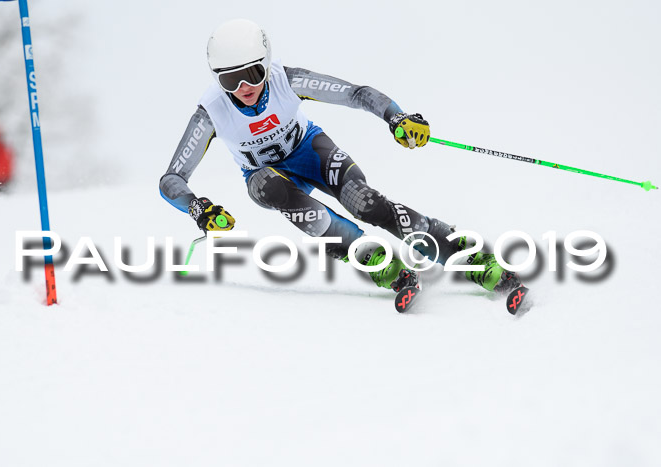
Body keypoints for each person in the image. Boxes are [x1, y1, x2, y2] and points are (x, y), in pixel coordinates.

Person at [160, 19, 520, 294]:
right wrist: (197, 207)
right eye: (230, 81)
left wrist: (397, 117)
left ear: (266, 65)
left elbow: (357, 94)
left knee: (364, 202)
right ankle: (374, 259)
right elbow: (171, 180)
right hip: (267, 176)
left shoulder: (286, 80)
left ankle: (466, 256)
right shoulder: (211, 112)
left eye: (252, 74)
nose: (244, 88)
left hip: (311, 152)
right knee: (272, 188)